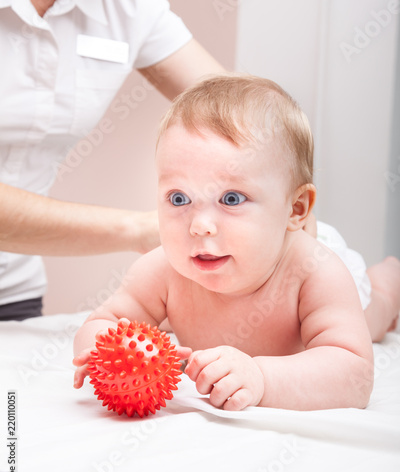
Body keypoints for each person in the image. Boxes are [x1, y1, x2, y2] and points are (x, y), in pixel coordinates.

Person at [73, 75, 400, 411]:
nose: (200, 226)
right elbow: (103, 322)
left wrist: (261, 376)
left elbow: (354, 375)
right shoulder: (164, 269)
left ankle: (390, 277)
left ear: (296, 209)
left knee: (373, 313)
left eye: (231, 198)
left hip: (321, 260)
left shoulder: (317, 272)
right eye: (179, 198)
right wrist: (104, 349)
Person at [0, 0, 225, 320]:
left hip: (15, 292)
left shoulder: (125, 8)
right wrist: (145, 228)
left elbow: (243, 114)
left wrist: (284, 214)